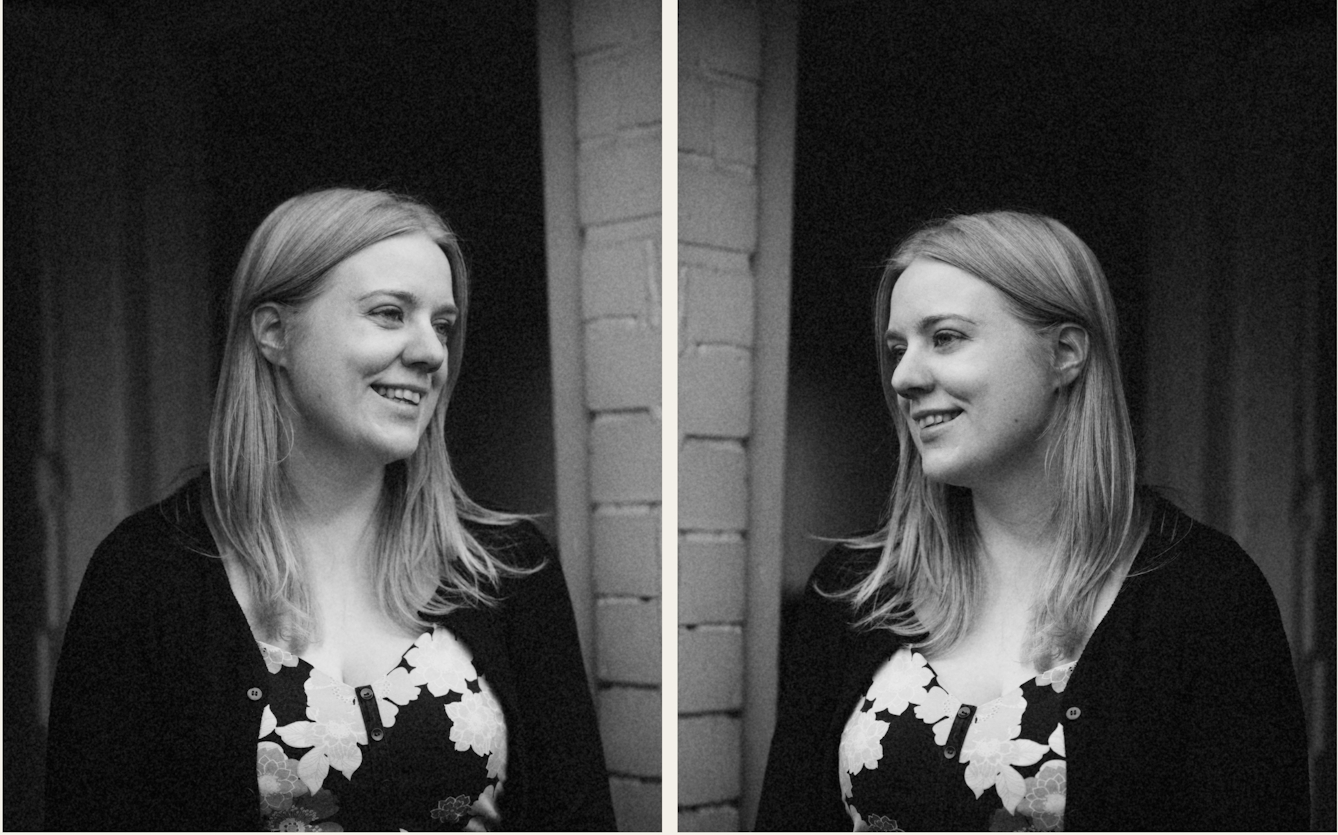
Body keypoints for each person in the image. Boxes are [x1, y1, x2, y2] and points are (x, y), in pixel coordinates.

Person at [44, 188, 617, 832]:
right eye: (389, 313)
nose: (432, 352)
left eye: (443, 324)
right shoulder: (145, 577)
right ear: (274, 332)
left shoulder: (509, 570)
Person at [756, 211, 1309, 832]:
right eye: (896, 349)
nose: (904, 377)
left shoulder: (1206, 598)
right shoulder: (855, 591)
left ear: (1065, 354)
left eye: (945, 337)